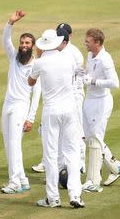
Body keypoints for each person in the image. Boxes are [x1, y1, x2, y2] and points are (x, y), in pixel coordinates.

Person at [28, 29, 84, 208]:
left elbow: (30, 82)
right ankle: (75, 195)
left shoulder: (40, 63)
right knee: (72, 153)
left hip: (51, 110)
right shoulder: (68, 59)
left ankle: (53, 198)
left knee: (51, 155)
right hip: (69, 109)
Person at [0, 10, 41, 194]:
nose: (24, 45)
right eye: (22, 42)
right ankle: (22, 179)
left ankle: (14, 182)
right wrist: (10, 22)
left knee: (15, 144)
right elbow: (5, 41)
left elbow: (37, 94)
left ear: (32, 46)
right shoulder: (13, 57)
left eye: (27, 43)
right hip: (7, 104)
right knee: (9, 144)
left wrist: (31, 118)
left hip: (21, 107)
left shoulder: (37, 65)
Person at [81, 28, 120, 192]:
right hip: (89, 100)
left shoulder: (105, 59)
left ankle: (93, 181)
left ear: (97, 43)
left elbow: (115, 83)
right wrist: (82, 73)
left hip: (101, 103)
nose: (85, 43)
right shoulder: (90, 55)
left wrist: (93, 81)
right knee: (86, 137)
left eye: (88, 41)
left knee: (95, 139)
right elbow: (89, 73)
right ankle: (116, 167)